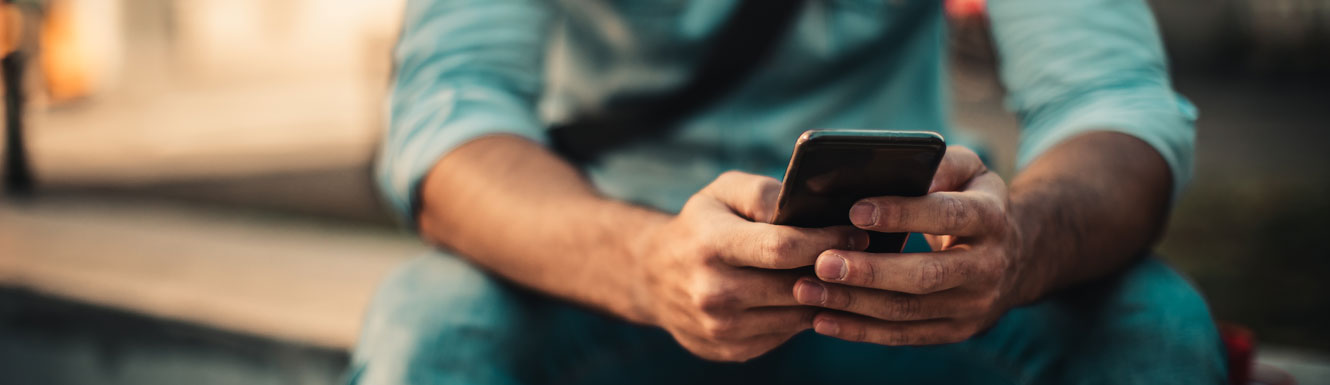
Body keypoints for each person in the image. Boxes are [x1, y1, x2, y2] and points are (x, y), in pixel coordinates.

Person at [348, 0, 1226, 383]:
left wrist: (1022, 244)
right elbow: (449, 114)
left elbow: (1110, 100)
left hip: (912, 283)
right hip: (611, 275)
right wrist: (646, 264)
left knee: (1158, 323)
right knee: (430, 323)